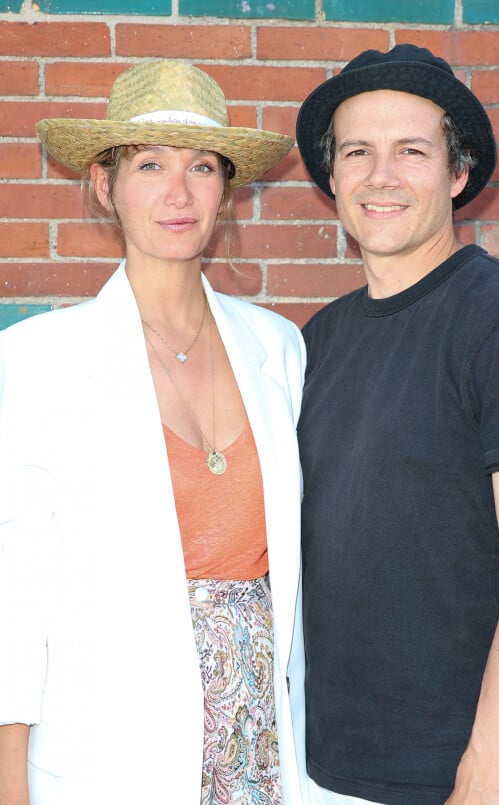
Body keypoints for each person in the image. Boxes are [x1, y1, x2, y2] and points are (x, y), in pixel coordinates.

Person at [0, 59, 309, 805]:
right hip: (110, 757)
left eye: (201, 166)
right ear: (106, 185)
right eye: (149, 164)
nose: (178, 192)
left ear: (226, 190)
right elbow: (13, 597)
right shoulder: (37, 361)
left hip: (259, 753)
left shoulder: (278, 347)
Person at [295, 43, 499, 805]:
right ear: (333, 178)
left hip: (464, 782)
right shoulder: (316, 341)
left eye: (411, 151)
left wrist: (480, 783)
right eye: (357, 151)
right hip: (329, 775)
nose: (380, 175)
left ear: (458, 174)